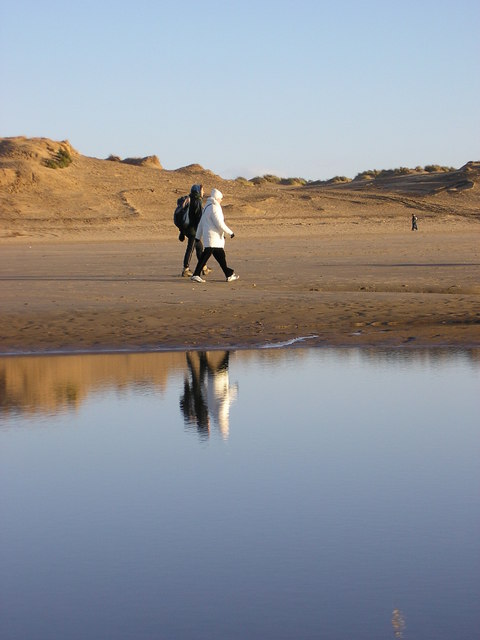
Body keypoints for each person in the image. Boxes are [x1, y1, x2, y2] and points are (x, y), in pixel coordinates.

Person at [191, 188, 239, 283]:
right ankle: (196, 274)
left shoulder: (207, 207)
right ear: (217, 198)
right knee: (207, 254)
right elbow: (219, 223)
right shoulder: (214, 207)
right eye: (221, 198)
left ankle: (228, 274)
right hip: (213, 237)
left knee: (220, 256)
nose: (221, 200)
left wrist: (198, 236)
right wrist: (230, 232)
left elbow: (201, 223)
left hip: (213, 238)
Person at [180, 184, 211, 277]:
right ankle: (185, 269)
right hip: (193, 230)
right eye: (202, 190)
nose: (203, 192)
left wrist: (181, 232)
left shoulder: (188, 199)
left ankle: (204, 268)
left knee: (199, 248)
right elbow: (198, 217)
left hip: (187, 229)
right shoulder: (197, 201)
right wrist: (201, 229)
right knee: (191, 248)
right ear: (198, 191)